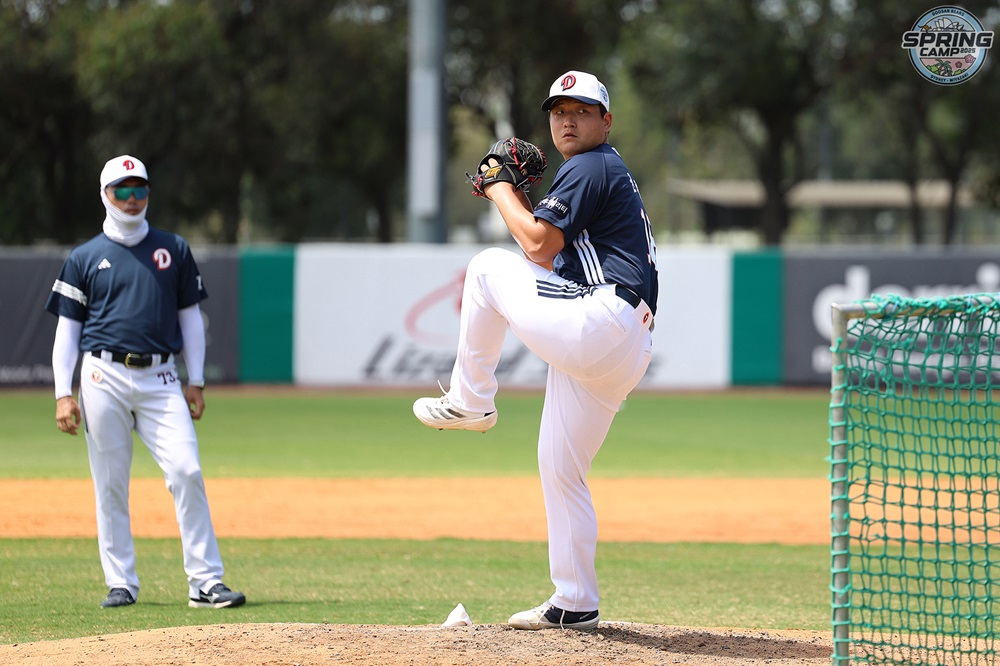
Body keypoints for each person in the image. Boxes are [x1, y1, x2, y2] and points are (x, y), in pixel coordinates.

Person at [413, 71, 657, 630]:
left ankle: (472, 400)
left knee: (485, 267)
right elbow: (547, 256)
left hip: (602, 320)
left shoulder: (589, 165)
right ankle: (574, 600)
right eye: (558, 110)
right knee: (560, 467)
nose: (567, 119)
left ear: (606, 121)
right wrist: (518, 195)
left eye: (582, 109)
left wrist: (498, 186)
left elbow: (535, 244)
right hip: (623, 341)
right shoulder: (599, 173)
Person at [45, 155, 245, 610]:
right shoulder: (84, 257)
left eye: (140, 190)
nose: (132, 199)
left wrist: (196, 379)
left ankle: (205, 582)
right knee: (111, 482)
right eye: (123, 190)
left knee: (187, 470)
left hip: (161, 376)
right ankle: (122, 582)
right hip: (102, 376)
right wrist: (63, 393)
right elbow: (67, 334)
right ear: (104, 195)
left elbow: (190, 320)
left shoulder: (172, 248)